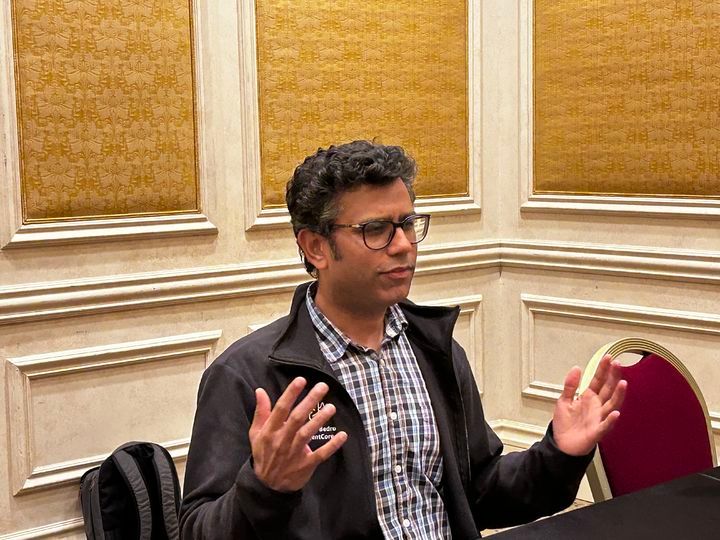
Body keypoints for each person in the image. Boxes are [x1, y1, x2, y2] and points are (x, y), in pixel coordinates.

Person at [179, 140, 627, 539]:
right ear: (316, 247)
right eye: (375, 230)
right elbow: (198, 529)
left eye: (408, 223)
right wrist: (265, 488)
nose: (403, 245)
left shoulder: (434, 350)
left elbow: (482, 490)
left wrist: (560, 454)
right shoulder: (247, 376)